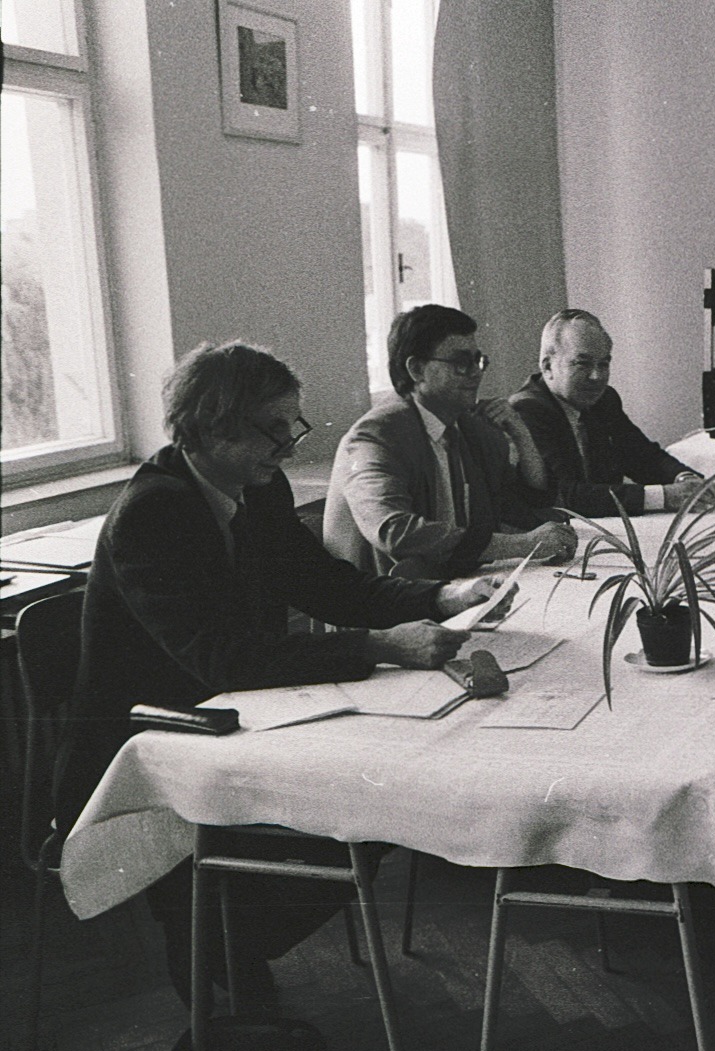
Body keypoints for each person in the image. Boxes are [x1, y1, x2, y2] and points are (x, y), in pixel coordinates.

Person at [61, 341, 502, 1002]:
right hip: (151, 743)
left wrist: (441, 596)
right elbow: (225, 659)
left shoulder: (257, 488)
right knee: (360, 810)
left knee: (375, 805)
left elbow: (327, 585)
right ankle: (218, 959)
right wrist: (379, 646)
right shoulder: (154, 511)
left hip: (240, 712)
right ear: (211, 427)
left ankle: (225, 954)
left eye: (291, 424)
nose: (290, 446)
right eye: (275, 428)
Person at [323, 304, 578, 578]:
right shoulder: (374, 436)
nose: (476, 373)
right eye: (461, 363)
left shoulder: (471, 426)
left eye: (478, 361)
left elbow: (530, 505)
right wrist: (521, 544)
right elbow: (395, 531)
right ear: (417, 369)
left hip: (458, 584)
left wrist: (521, 434)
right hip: (388, 596)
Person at [510, 308, 715, 517]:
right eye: (582, 364)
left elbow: (642, 455)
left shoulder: (604, 399)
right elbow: (566, 495)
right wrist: (666, 496)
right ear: (547, 366)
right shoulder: (527, 409)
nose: (596, 376)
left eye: (603, 364)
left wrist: (685, 479)